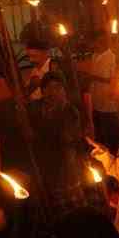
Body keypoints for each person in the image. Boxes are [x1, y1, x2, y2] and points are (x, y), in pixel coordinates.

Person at [27, 72, 85, 215]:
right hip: (45, 164)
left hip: (66, 165)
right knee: (53, 205)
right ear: (43, 91)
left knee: (72, 205)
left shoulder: (69, 111)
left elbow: (69, 138)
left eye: (58, 88)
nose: (54, 92)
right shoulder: (36, 108)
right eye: (49, 88)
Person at [85, 31, 119, 154]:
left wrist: (94, 77)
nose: (98, 44)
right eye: (97, 42)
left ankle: (113, 154)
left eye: (102, 41)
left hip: (108, 101)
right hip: (96, 100)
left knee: (110, 133)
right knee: (100, 134)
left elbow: (113, 79)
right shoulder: (94, 56)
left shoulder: (112, 56)